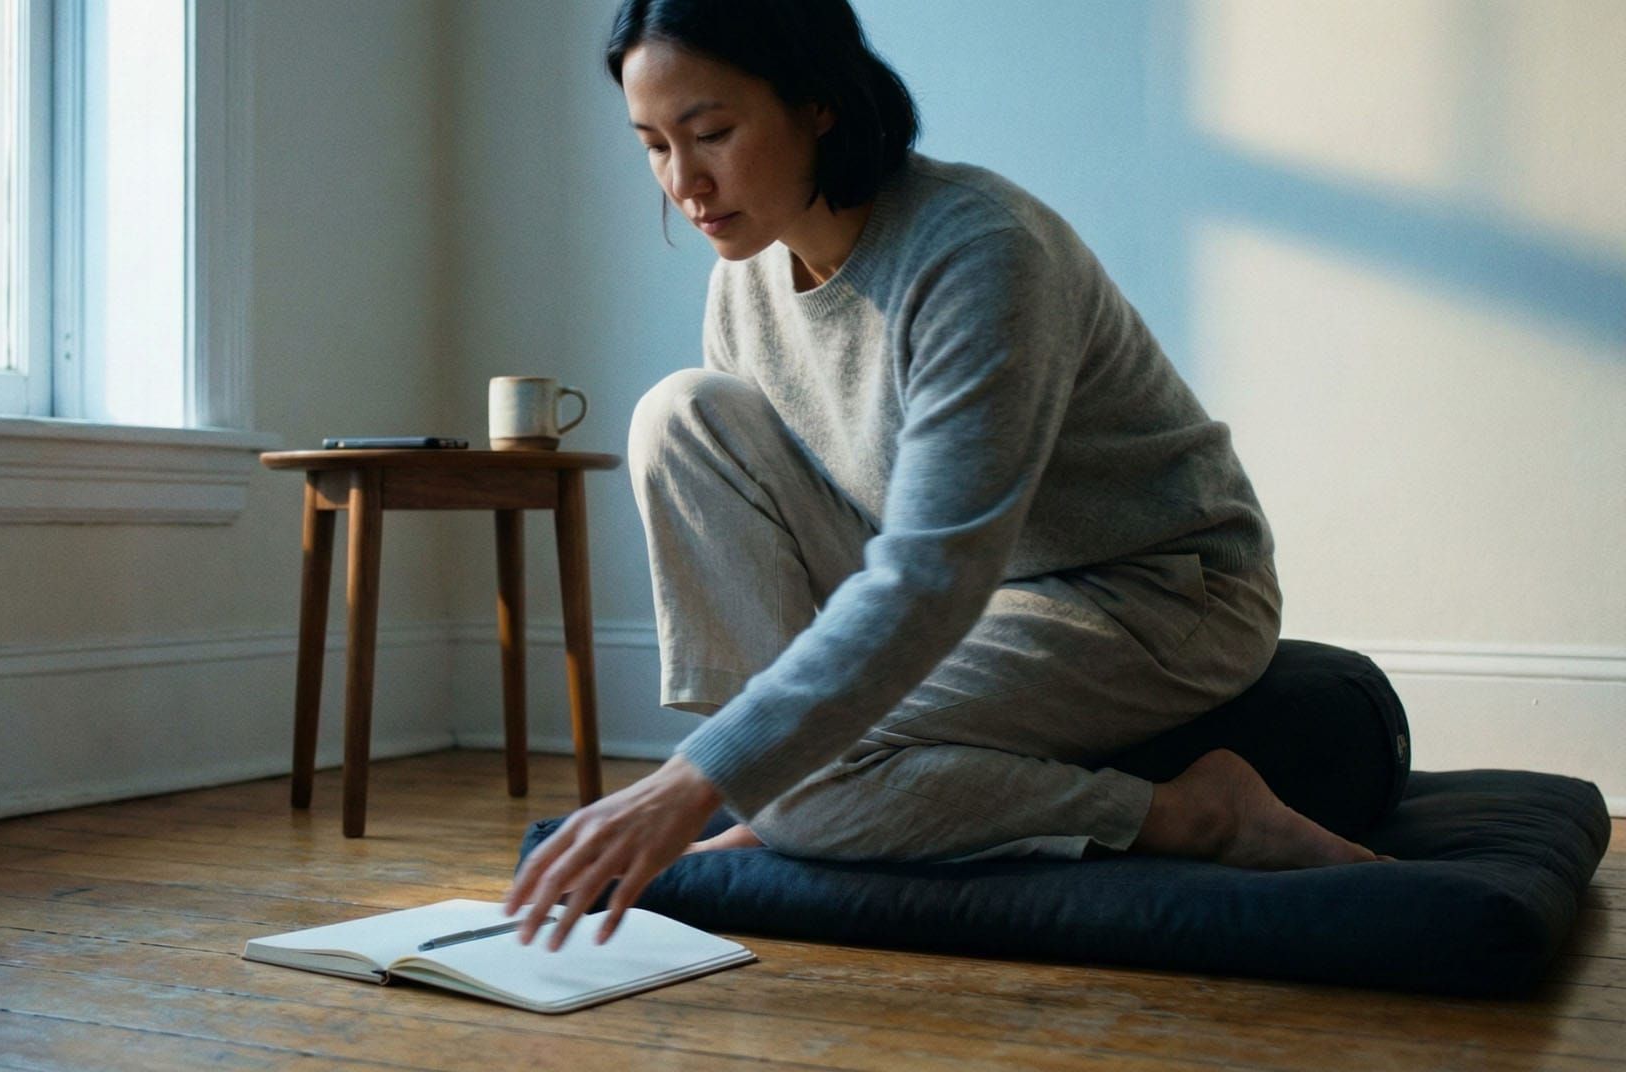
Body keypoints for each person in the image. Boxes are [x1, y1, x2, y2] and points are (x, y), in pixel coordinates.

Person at [506, 0, 1381, 951]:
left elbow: (933, 568)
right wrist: (749, 770)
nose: (685, 181)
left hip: (1151, 593)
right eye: (654, 146)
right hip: (971, 593)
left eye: (711, 133)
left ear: (819, 104)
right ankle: (810, 802)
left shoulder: (979, 251)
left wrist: (694, 781)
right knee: (681, 413)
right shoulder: (746, 280)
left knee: (789, 775)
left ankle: (1195, 814)